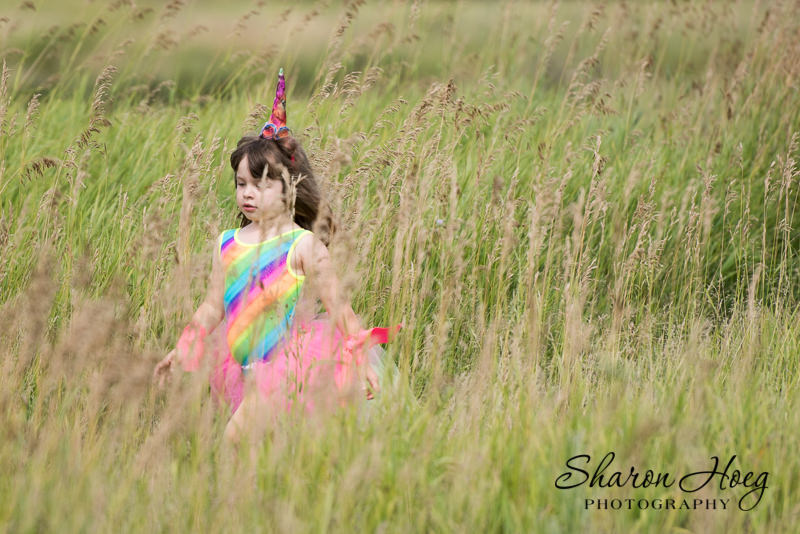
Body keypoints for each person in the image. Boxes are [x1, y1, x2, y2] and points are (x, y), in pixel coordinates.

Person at [153, 68, 399, 443]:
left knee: (232, 442)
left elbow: (340, 310)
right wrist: (183, 345)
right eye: (241, 184)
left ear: (289, 186)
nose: (247, 193)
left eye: (261, 184)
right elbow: (212, 307)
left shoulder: (302, 245)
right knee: (263, 451)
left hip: (290, 369)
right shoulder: (228, 242)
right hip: (242, 370)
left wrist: (362, 360)